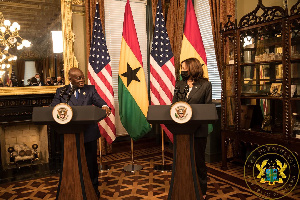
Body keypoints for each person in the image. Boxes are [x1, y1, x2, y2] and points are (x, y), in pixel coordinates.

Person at [50, 68, 111, 198]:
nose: (82, 80)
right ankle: (71, 190)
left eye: (83, 77)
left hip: (88, 134)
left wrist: (105, 106)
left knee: (91, 164)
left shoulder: (90, 90)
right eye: (78, 78)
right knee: (70, 164)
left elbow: (100, 102)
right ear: (70, 79)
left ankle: (93, 190)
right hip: (69, 136)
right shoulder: (61, 92)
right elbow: (53, 108)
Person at [172, 58, 212, 200]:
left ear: (192, 68)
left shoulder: (205, 85)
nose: (182, 70)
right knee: (183, 161)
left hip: (198, 130)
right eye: (182, 68)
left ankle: (202, 190)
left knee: (199, 162)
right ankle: (183, 186)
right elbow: (174, 105)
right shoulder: (179, 84)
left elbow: (207, 108)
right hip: (181, 130)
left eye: (184, 68)